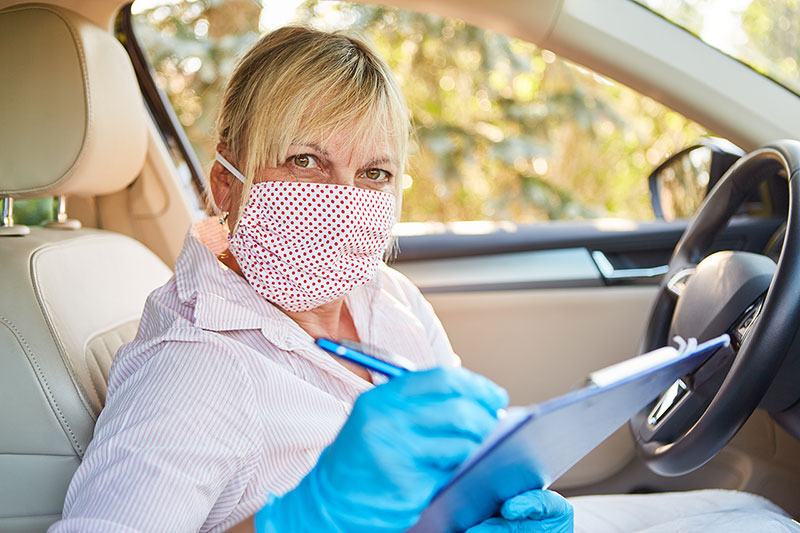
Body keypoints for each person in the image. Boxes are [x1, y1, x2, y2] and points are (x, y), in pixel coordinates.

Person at [51, 24, 799, 533]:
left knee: (757, 517)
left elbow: (461, 461)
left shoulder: (388, 298)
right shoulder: (192, 366)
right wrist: (304, 518)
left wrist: (496, 495)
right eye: (306, 161)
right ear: (226, 184)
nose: (342, 199)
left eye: (374, 172)